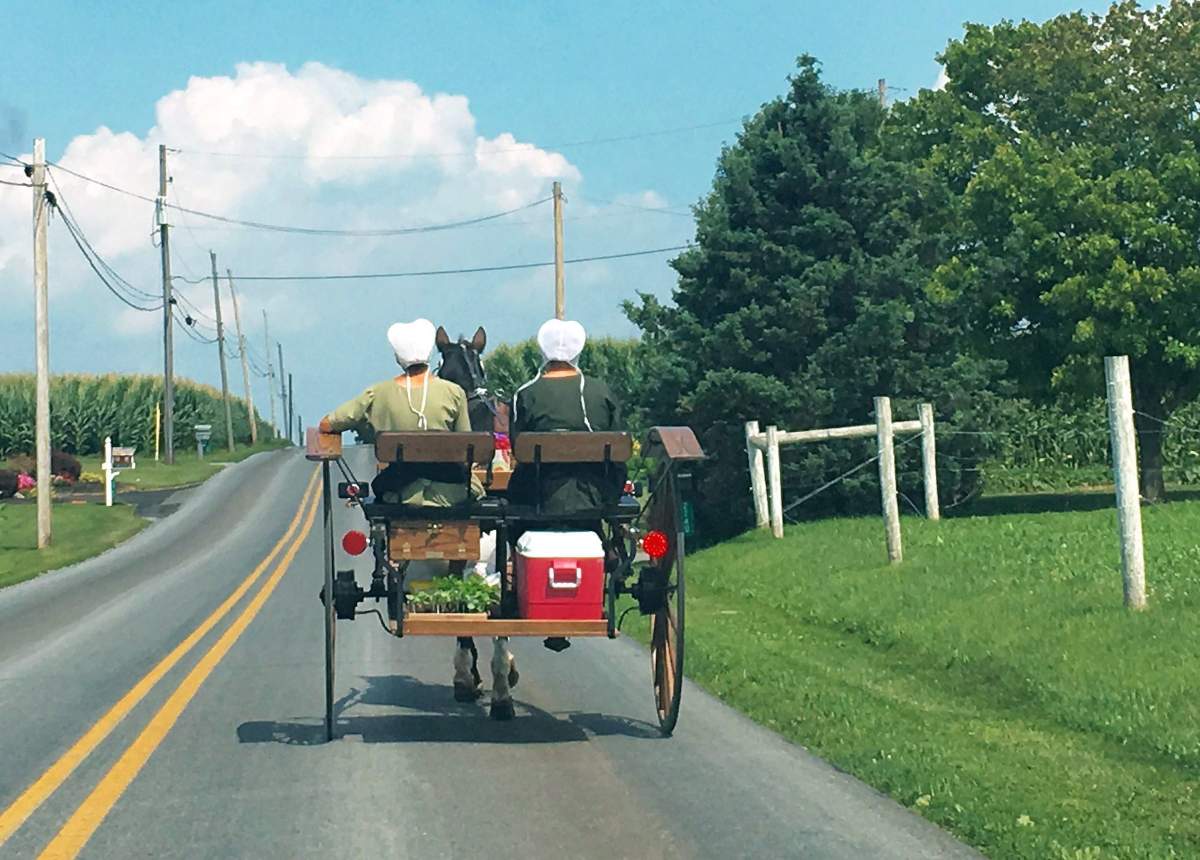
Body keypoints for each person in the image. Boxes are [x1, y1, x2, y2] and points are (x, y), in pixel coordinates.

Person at [319, 318, 481, 505]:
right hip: (450, 493)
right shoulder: (454, 392)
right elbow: (467, 444)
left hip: (399, 492)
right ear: (429, 354)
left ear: (397, 357)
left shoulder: (377, 393)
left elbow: (328, 423)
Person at [508, 318, 626, 513]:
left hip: (538, 496)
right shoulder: (601, 391)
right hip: (596, 495)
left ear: (543, 349)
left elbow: (518, 448)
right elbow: (617, 446)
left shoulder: (526, 394)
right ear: (579, 349)